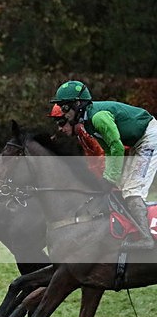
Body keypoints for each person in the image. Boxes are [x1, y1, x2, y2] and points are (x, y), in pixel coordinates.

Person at [51, 80, 157, 249]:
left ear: (78, 104)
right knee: (123, 187)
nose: (63, 113)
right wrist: (110, 177)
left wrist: (109, 177)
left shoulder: (98, 117)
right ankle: (132, 229)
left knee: (132, 190)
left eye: (65, 107)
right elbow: (109, 150)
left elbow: (117, 146)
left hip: (149, 138)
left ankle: (146, 239)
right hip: (139, 141)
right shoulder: (87, 122)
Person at [49, 103, 106, 179]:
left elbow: (103, 155)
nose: (60, 129)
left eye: (61, 123)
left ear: (72, 119)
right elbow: (92, 162)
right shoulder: (80, 135)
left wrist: (105, 182)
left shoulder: (86, 129)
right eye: (58, 124)